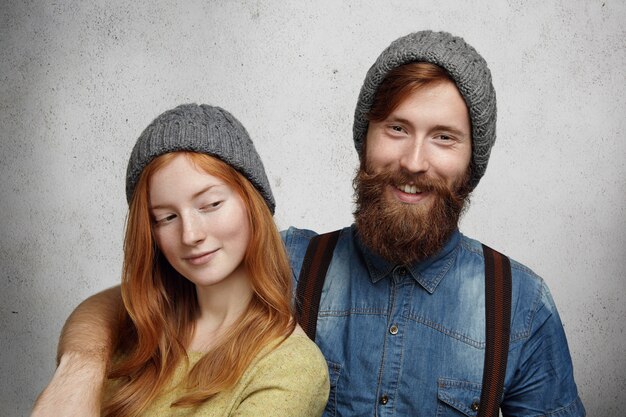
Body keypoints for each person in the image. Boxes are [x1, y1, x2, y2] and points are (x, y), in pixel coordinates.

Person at [33, 31, 584, 416]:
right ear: (364, 140)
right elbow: (129, 300)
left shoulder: (522, 305)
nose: (415, 160)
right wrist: (80, 369)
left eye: (444, 137)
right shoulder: (287, 261)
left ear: (471, 161)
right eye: (396, 128)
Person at [34, 103, 329, 416]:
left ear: (253, 203)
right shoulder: (136, 329)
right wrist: (80, 366)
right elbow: (110, 303)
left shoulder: (289, 368)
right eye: (166, 217)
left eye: (211, 204)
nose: (190, 235)